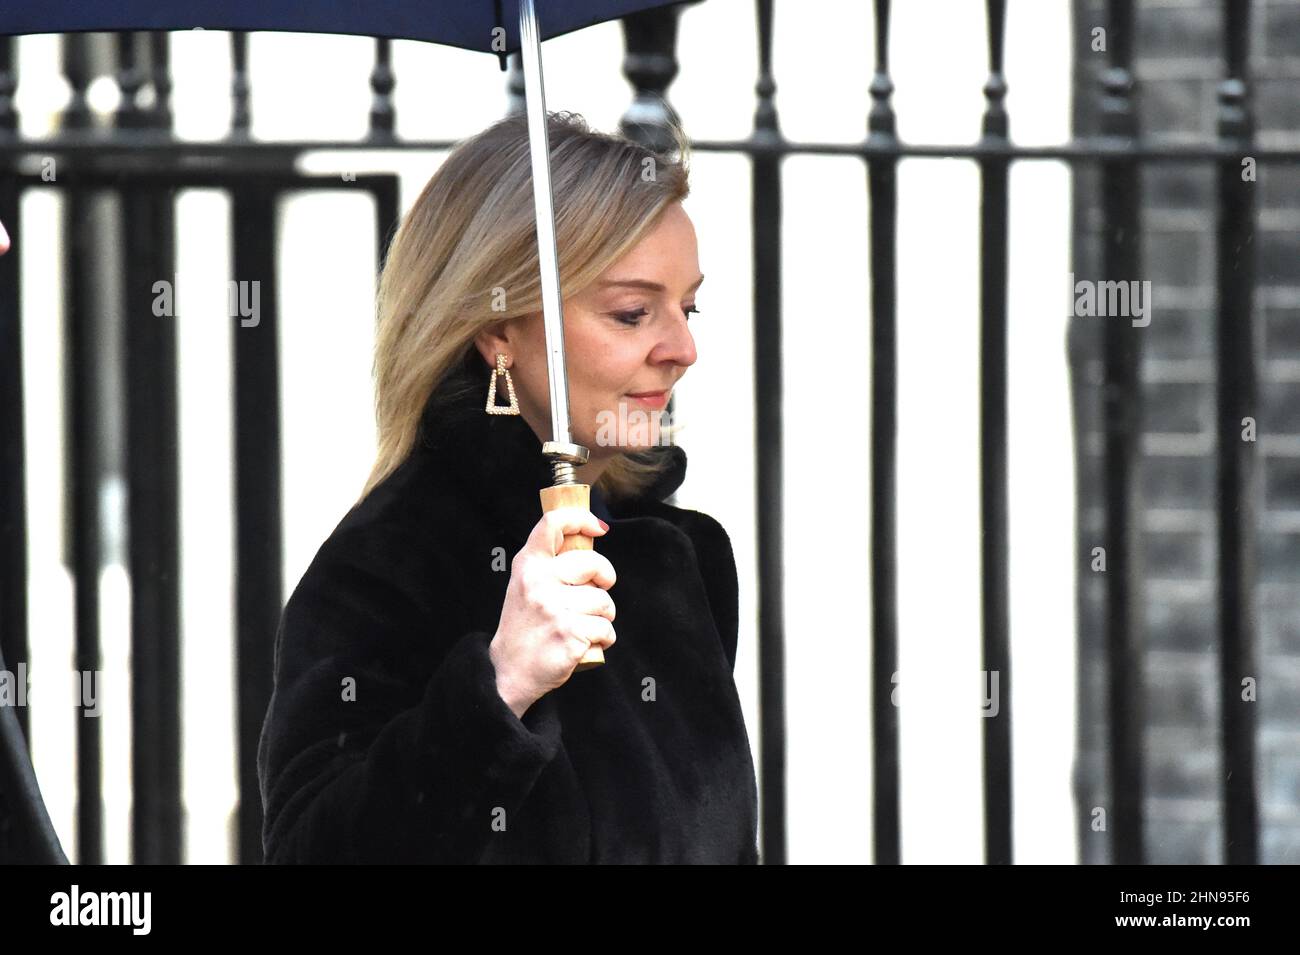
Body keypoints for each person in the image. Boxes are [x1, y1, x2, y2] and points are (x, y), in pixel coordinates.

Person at [255, 111, 760, 864]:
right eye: (632, 312)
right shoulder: (386, 567)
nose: (683, 349)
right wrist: (499, 688)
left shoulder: (682, 559)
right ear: (499, 332)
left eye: (688, 307)